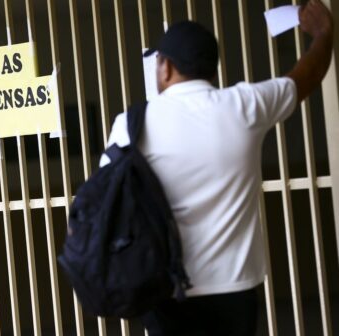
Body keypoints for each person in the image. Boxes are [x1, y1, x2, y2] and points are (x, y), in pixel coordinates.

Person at [99, 1, 334, 335]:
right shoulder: (244, 106)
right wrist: (324, 34)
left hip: (164, 285)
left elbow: (108, 196)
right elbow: (303, 79)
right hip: (234, 288)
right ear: (212, 71)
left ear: (164, 68)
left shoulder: (132, 124)